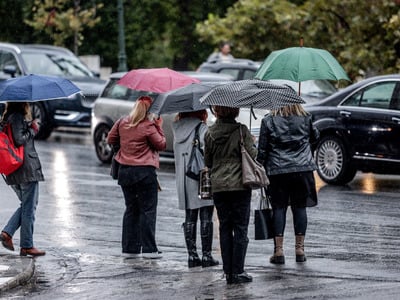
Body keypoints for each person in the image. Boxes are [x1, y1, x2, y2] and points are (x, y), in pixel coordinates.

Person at [256, 103, 319, 264]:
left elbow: (262, 149)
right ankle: (299, 250)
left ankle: (278, 251)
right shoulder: (306, 118)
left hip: (278, 171)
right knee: (300, 207)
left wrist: (259, 166)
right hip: (302, 169)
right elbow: (315, 138)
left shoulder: (269, 121)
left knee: (279, 208)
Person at [107, 96, 166, 259]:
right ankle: (149, 249)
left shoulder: (122, 122)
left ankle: (129, 248)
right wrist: (159, 127)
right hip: (145, 173)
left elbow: (110, 139)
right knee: (148, 210)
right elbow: (161, 144)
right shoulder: (149, 126)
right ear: (149, 111)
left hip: (125, 172)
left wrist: (125, 143)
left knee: (131, 209)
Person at [204, 106, 255, 284]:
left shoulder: (209, 133)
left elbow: (207, 161)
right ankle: (238, 271)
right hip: (240, 186)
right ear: (235, 111)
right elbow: (253, 155)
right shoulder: (242, 130)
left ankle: (228, 272)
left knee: (224, 227)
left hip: (219, 187)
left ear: (217, 111)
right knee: (240, 227)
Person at [172, 110, 219, 268]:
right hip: (200, 176)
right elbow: (211, 151)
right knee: (206, 214)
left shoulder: (176, 129)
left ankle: (192, 256)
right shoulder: (202, 128)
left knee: (190, 216)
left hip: (184, 179)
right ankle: (207, 256)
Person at [0, 102, 46, 257]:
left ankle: (8, 233)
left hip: (15, 170)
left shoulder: (7, 118)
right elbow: (20, 139)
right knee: (29, 207)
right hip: (25, 168)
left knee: (26, 205)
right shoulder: (17, 117)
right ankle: (26, 245)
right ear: (23, 104)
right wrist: (32, 129)